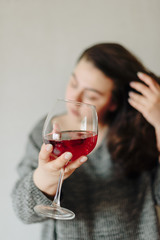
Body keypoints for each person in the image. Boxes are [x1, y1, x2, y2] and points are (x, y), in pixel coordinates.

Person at [12, 43, 160, 240]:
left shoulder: (140, 132)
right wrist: (44, 180)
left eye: (91, 95)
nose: (74, 97)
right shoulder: (44, 132)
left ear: (114, 102)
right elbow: (24, 212)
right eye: (73, 83)